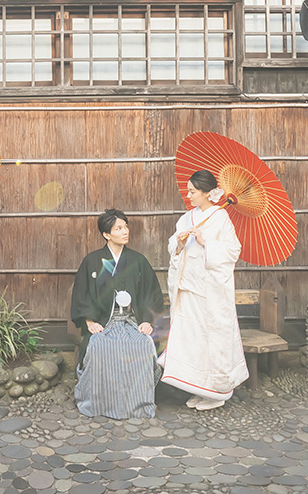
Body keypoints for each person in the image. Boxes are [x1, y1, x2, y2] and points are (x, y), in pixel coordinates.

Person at [160, 170, 249, 411]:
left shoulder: (220, 219)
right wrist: (178, 242)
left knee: (212, 339)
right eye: (188, 191)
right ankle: (197, 387)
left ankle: (216, 392)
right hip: (188, 287)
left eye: (193, 192)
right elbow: (172, 244)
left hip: (210, 292)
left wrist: (205, 243)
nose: (188, 196)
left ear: (208, 193)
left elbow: (233, 251)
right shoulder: (187, 218)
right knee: (192, 340)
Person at [70, 208, 165, 419]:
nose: (125, 232)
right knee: (101, 345)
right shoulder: (92, 261)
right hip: (105, 321)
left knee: (141, 344)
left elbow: (152, 293)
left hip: (133, 321)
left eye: (126, 227)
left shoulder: (138, 261)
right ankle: (102, 403)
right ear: (106, 234)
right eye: (119, 228)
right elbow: (82, 293)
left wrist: (148, 321)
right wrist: (89, 321)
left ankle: (137, 403)